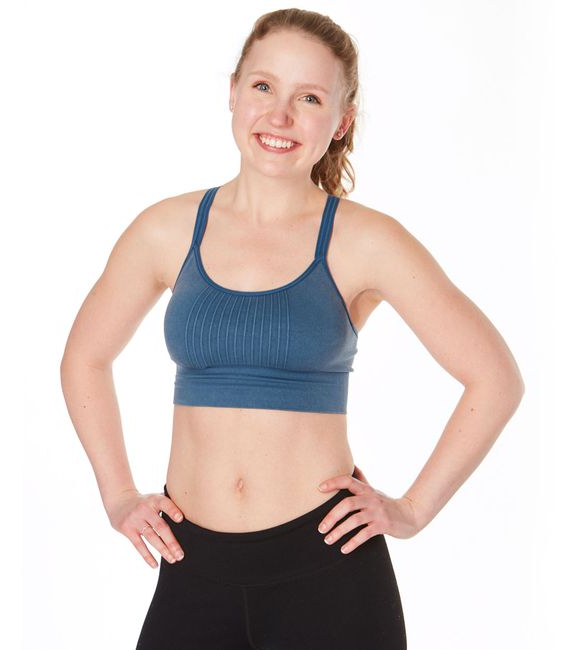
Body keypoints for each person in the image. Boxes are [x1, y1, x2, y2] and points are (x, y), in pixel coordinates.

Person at [59, 8, 525, 649]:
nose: (280, 117)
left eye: (308, 98)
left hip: (327, 573)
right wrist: (116, 495)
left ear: (342, 120)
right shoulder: (165, 229)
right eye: (263, 87)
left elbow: (494, 378)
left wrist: (411, 510)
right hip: (192, 569)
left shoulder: (367, 240)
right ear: (232, 92)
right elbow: (84, 357)